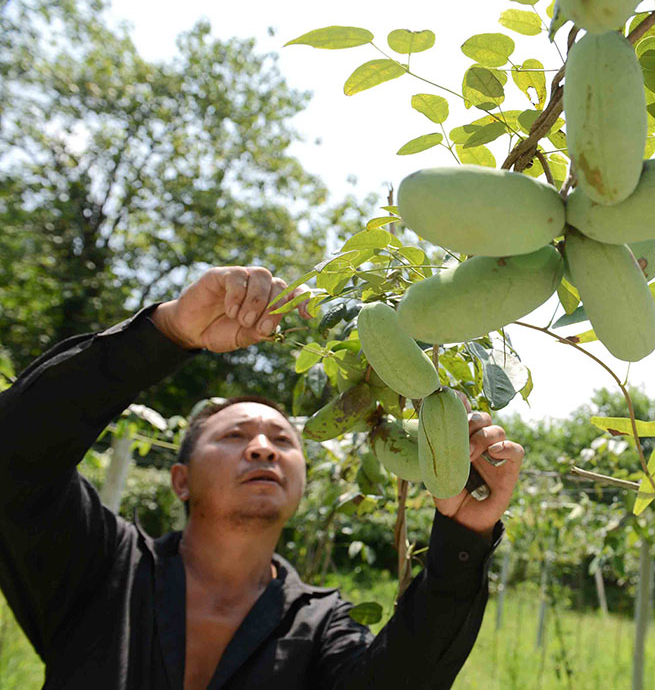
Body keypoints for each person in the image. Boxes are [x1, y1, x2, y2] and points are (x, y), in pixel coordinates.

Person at [0, 265, 524, 689]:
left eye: (282, 441)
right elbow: (15, 451)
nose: (261, 447)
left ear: (300, 482)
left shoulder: (318, 626)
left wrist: (463, 538)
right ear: (180, 480)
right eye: (233, 436)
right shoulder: (102, 569)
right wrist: (167, 331)